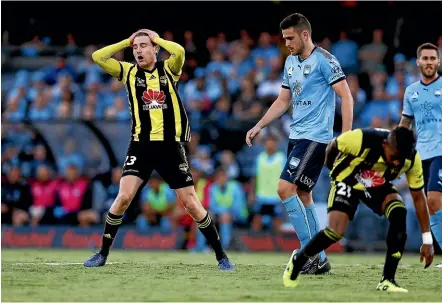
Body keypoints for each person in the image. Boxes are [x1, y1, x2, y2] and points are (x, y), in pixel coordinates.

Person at [83, 29, 234, 271]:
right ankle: (102, 254)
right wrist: (126, 40)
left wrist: (157, 39)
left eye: (144, 46)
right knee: (122, 198)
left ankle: (221, 256)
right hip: (141, 145)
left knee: (191, 203)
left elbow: (180, 51)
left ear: (155, 49)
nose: (138, 50)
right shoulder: (128, 72)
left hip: (169, 147)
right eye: (135, 48)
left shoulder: (169, 69)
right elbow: (98, 57)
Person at [246, 13, 354, 274]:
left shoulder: (325, 60)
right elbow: (283, 101)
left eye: (290, 38)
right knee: (303, 194)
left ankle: (308, 254)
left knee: (284, 188)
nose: (287, 43)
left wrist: (347, 138)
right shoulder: (290, 61)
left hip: (315, 137)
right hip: (296, 137)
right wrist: (259, 125)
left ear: (305, 35)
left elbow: (347, 97)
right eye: (284, 39)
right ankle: (320, 257)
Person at [283, 127, 434, 292]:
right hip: (347, 179)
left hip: (376, 182)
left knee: (399, 212)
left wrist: (427, 240)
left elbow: (419, 199)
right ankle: (300, 259)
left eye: (401, 158)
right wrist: (333, 169)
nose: (397, 163)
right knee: (335, 232)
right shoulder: (362, 138)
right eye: (395, 157)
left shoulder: (412, 160)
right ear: (385, 144)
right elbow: (333, 145)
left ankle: (388, 280)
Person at [399, 42, 442, 268]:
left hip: (441, 151)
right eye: (424, 58)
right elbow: (405, 123)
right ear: (418, 62)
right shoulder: (411, 91)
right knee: (430, 206)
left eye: (432, 58)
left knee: (434, 199)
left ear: (438, 61)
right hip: (421, 154)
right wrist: (396, 144)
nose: (428, 62)